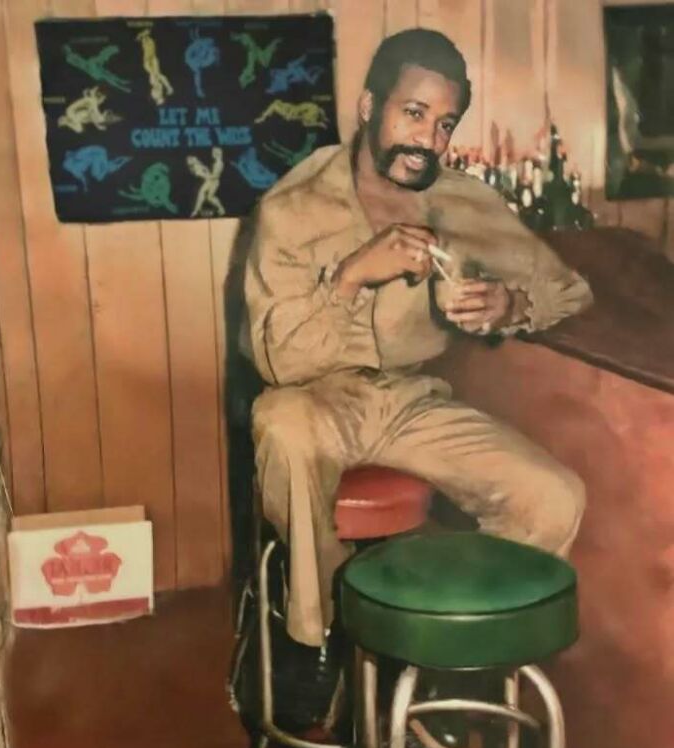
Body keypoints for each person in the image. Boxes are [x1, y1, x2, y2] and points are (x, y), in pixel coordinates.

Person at [243, 28, 593, 650]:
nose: (429, 141)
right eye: (413, 114)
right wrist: (352, 275)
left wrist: (509, 304)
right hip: (313, 398)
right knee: (284, 429)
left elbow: (570, 290)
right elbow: (280, 361)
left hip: (413, 403)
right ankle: (314, 642)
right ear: (369, 108)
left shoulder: (462, 202)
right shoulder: (291, 209)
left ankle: (455, 648)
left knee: (554, 495)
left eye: (444, 123)